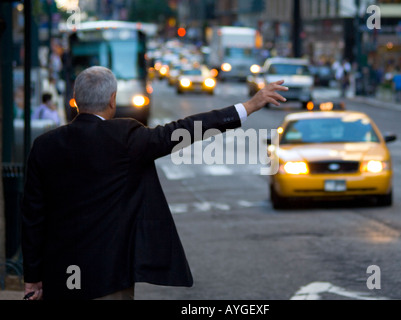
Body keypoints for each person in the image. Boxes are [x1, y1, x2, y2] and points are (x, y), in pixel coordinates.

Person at [21, 66, 288, 300]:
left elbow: (32, 217)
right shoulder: (126, 136)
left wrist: (32, 277)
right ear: (113, 100)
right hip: (107, 276)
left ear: (76, 100)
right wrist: (249, 106)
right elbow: (187, 128)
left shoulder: (44, 145)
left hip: (61, 275)